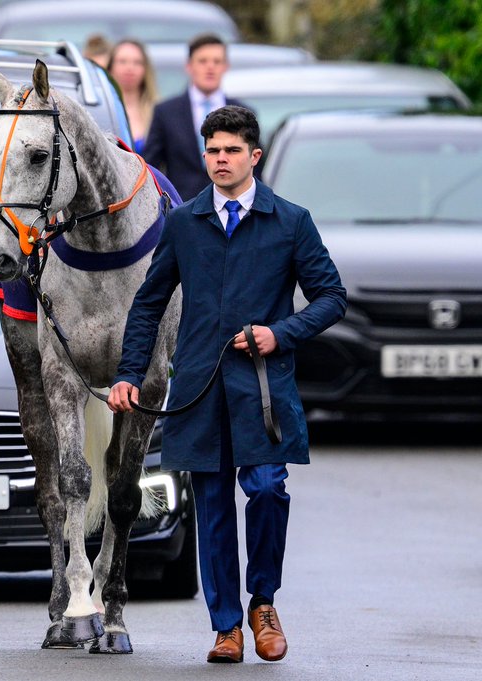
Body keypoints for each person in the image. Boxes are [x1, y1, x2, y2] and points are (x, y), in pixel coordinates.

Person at [108, 105, 346, 664]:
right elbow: (148, 303)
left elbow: (332, 297)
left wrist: (280, 333)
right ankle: (226, 627)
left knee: (266, 489)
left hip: (262, 387)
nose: (221, 159)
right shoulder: (183, 223)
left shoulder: (291, 221)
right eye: (213, 150)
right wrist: (128, 374)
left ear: (253, 156)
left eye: (232, 150)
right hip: (199, 386)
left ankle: (263, 602)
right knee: (212, 506)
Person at [143, 33, 245, 203]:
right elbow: (151, 168)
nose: (210, 67)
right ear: (189, 66)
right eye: (203, 61)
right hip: (182, 206)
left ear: (226, 66)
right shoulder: (166, 112)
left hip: (233, 208)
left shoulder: (243, 113)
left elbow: (254, 169)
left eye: (217, 61)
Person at [106, 38, 158, 154]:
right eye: (122, 61)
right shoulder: (101, 110)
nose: (130, 68)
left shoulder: (159, 112)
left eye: (137, 62)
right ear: (110, 68)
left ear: (145, 69)